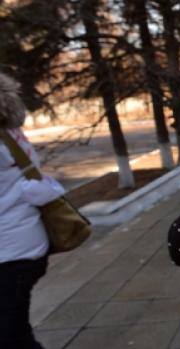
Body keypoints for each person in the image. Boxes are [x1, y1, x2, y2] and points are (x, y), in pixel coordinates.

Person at [0, 72, 64, 348]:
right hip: (23, 247)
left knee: (11, 337)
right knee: (14, 332)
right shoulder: (9, 135)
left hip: (11, 254)